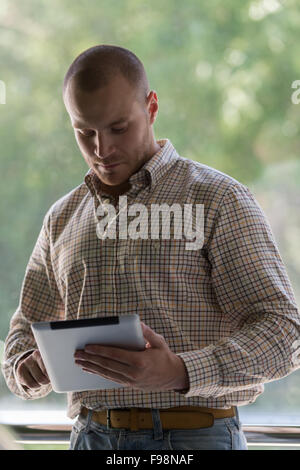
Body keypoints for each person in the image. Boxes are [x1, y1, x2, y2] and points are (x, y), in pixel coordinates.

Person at [2, 45, 300, 451]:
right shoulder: (62, 217)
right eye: (84, 132)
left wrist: (180, 371)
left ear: (152, 107)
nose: (102, 149)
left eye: (118, 128)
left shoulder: (219, 200)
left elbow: (286, 334)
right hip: (90, 438)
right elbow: (22, 332)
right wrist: (27, 367)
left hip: (198, 438)